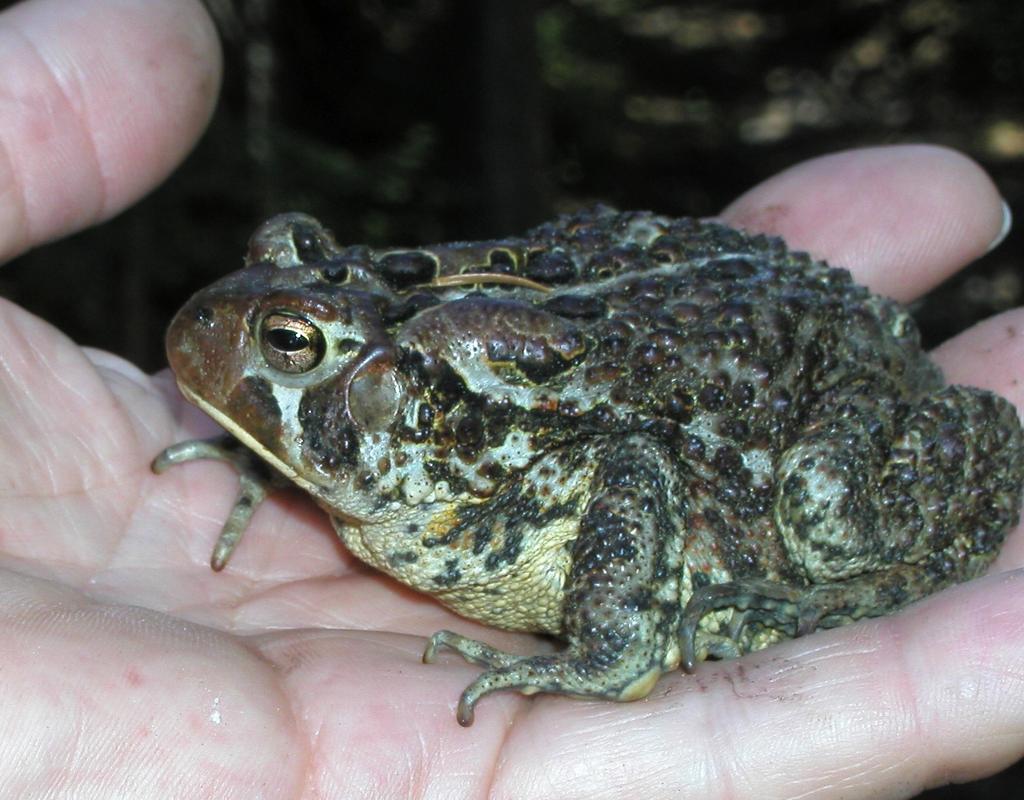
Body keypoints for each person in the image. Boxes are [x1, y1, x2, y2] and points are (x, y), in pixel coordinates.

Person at [0, 0, 1021, 797]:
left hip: (818, 395)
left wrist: (614, 643)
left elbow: (631, 460)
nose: (233, 338)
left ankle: (828, 587)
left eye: (293, 346)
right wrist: (261, 445)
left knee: (827, 507)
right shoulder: (427, 406)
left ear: (391, 391)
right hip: (687, 305)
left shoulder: (475, 420)